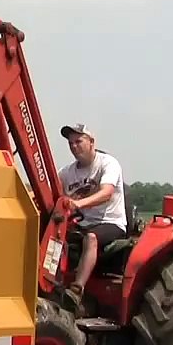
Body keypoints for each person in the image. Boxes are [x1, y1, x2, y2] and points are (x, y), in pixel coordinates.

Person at [58, 123, 127, 311]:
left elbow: (106, 193)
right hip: (81, 223)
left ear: (91, 142)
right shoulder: (66, 172)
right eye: (71, 143)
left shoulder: (108, 164)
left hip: (109, 222)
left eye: (78, 141)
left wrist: (78, 204)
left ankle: (76, 290)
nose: (74, 146)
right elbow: (52, 194)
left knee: (91, 238)